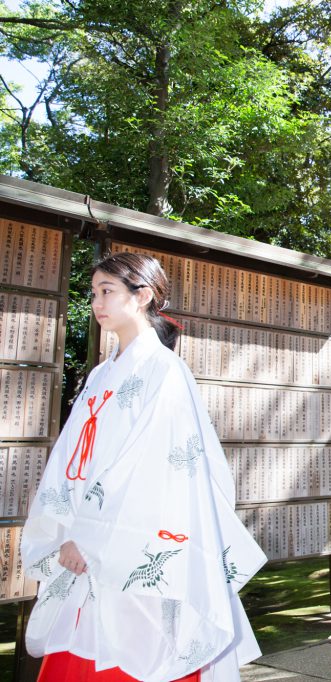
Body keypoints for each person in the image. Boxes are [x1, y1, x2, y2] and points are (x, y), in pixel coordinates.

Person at [20, 252, 266, 682]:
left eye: (108, 291)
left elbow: (154, 469)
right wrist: (64, 528)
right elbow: (68, 460)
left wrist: (90, 537)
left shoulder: (163, 370)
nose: (97, 302)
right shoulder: (100, 375)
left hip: (134, 543)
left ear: (143, 296)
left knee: (137, 654)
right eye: (94, 292)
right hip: (86, 533)